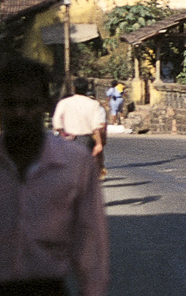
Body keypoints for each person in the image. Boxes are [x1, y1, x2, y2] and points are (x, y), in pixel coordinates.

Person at [0, 54, 109, 296]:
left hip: (47, 288)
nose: (19, 113)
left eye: (29, 105)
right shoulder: (93, 108)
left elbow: (90, 242)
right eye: (10, 104)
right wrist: (99, 144)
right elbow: (99, 128)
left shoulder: (76, 165)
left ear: (44, 105)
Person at [52, 77, 107, 178]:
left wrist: (62, 134)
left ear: (74, 88)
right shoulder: (94, 104)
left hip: (66, 139)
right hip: (85, 140)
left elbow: (56, 122)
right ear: (86, 89)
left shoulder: (64, 102)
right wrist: (99, 143)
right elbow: (96, 126)